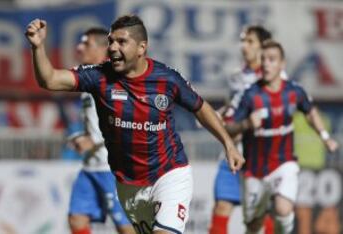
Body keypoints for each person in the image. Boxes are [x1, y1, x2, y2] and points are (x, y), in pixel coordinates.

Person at [25, 15, 245, 234]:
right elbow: (50, 79)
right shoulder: (99, 77)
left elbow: (201, 107)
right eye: (111, 41)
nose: (112, 47)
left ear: (141, 48)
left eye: (121, 42)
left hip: (169, 174)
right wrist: (38, 47)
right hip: (128, 184)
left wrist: (228, 143)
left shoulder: (166, 79)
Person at [224, 39, 338, 234]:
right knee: (253, 224)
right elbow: (228, 127)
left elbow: (310, 112)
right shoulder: (250, 95)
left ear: (282, 64)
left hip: (283, 164)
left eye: (272, 59)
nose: (267, 63)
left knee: (283, 209)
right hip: (255, 170)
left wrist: (325, 136)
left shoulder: (294, 91)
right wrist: (247, 124)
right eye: (264, 59)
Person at [67, 28, 135, 234]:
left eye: (86, 44)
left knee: (125, 226)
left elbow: (124, 118)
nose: (79, 48)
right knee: (76, 219)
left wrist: (94, 140)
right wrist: (83, 137)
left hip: (111, 167)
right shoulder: (89, 78)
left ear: (102, 48)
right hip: (90, 166)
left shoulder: (114, 80)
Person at [209, 25, 275, 234]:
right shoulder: (237, 76)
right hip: (232, 149)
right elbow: (234, 105)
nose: (244, 46)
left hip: (258, 154)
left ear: (263, 46)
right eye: (243, 41)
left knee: (258, 218)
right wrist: (221, 114)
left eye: (250, 41)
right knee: (221, 206)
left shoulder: (272, 78)